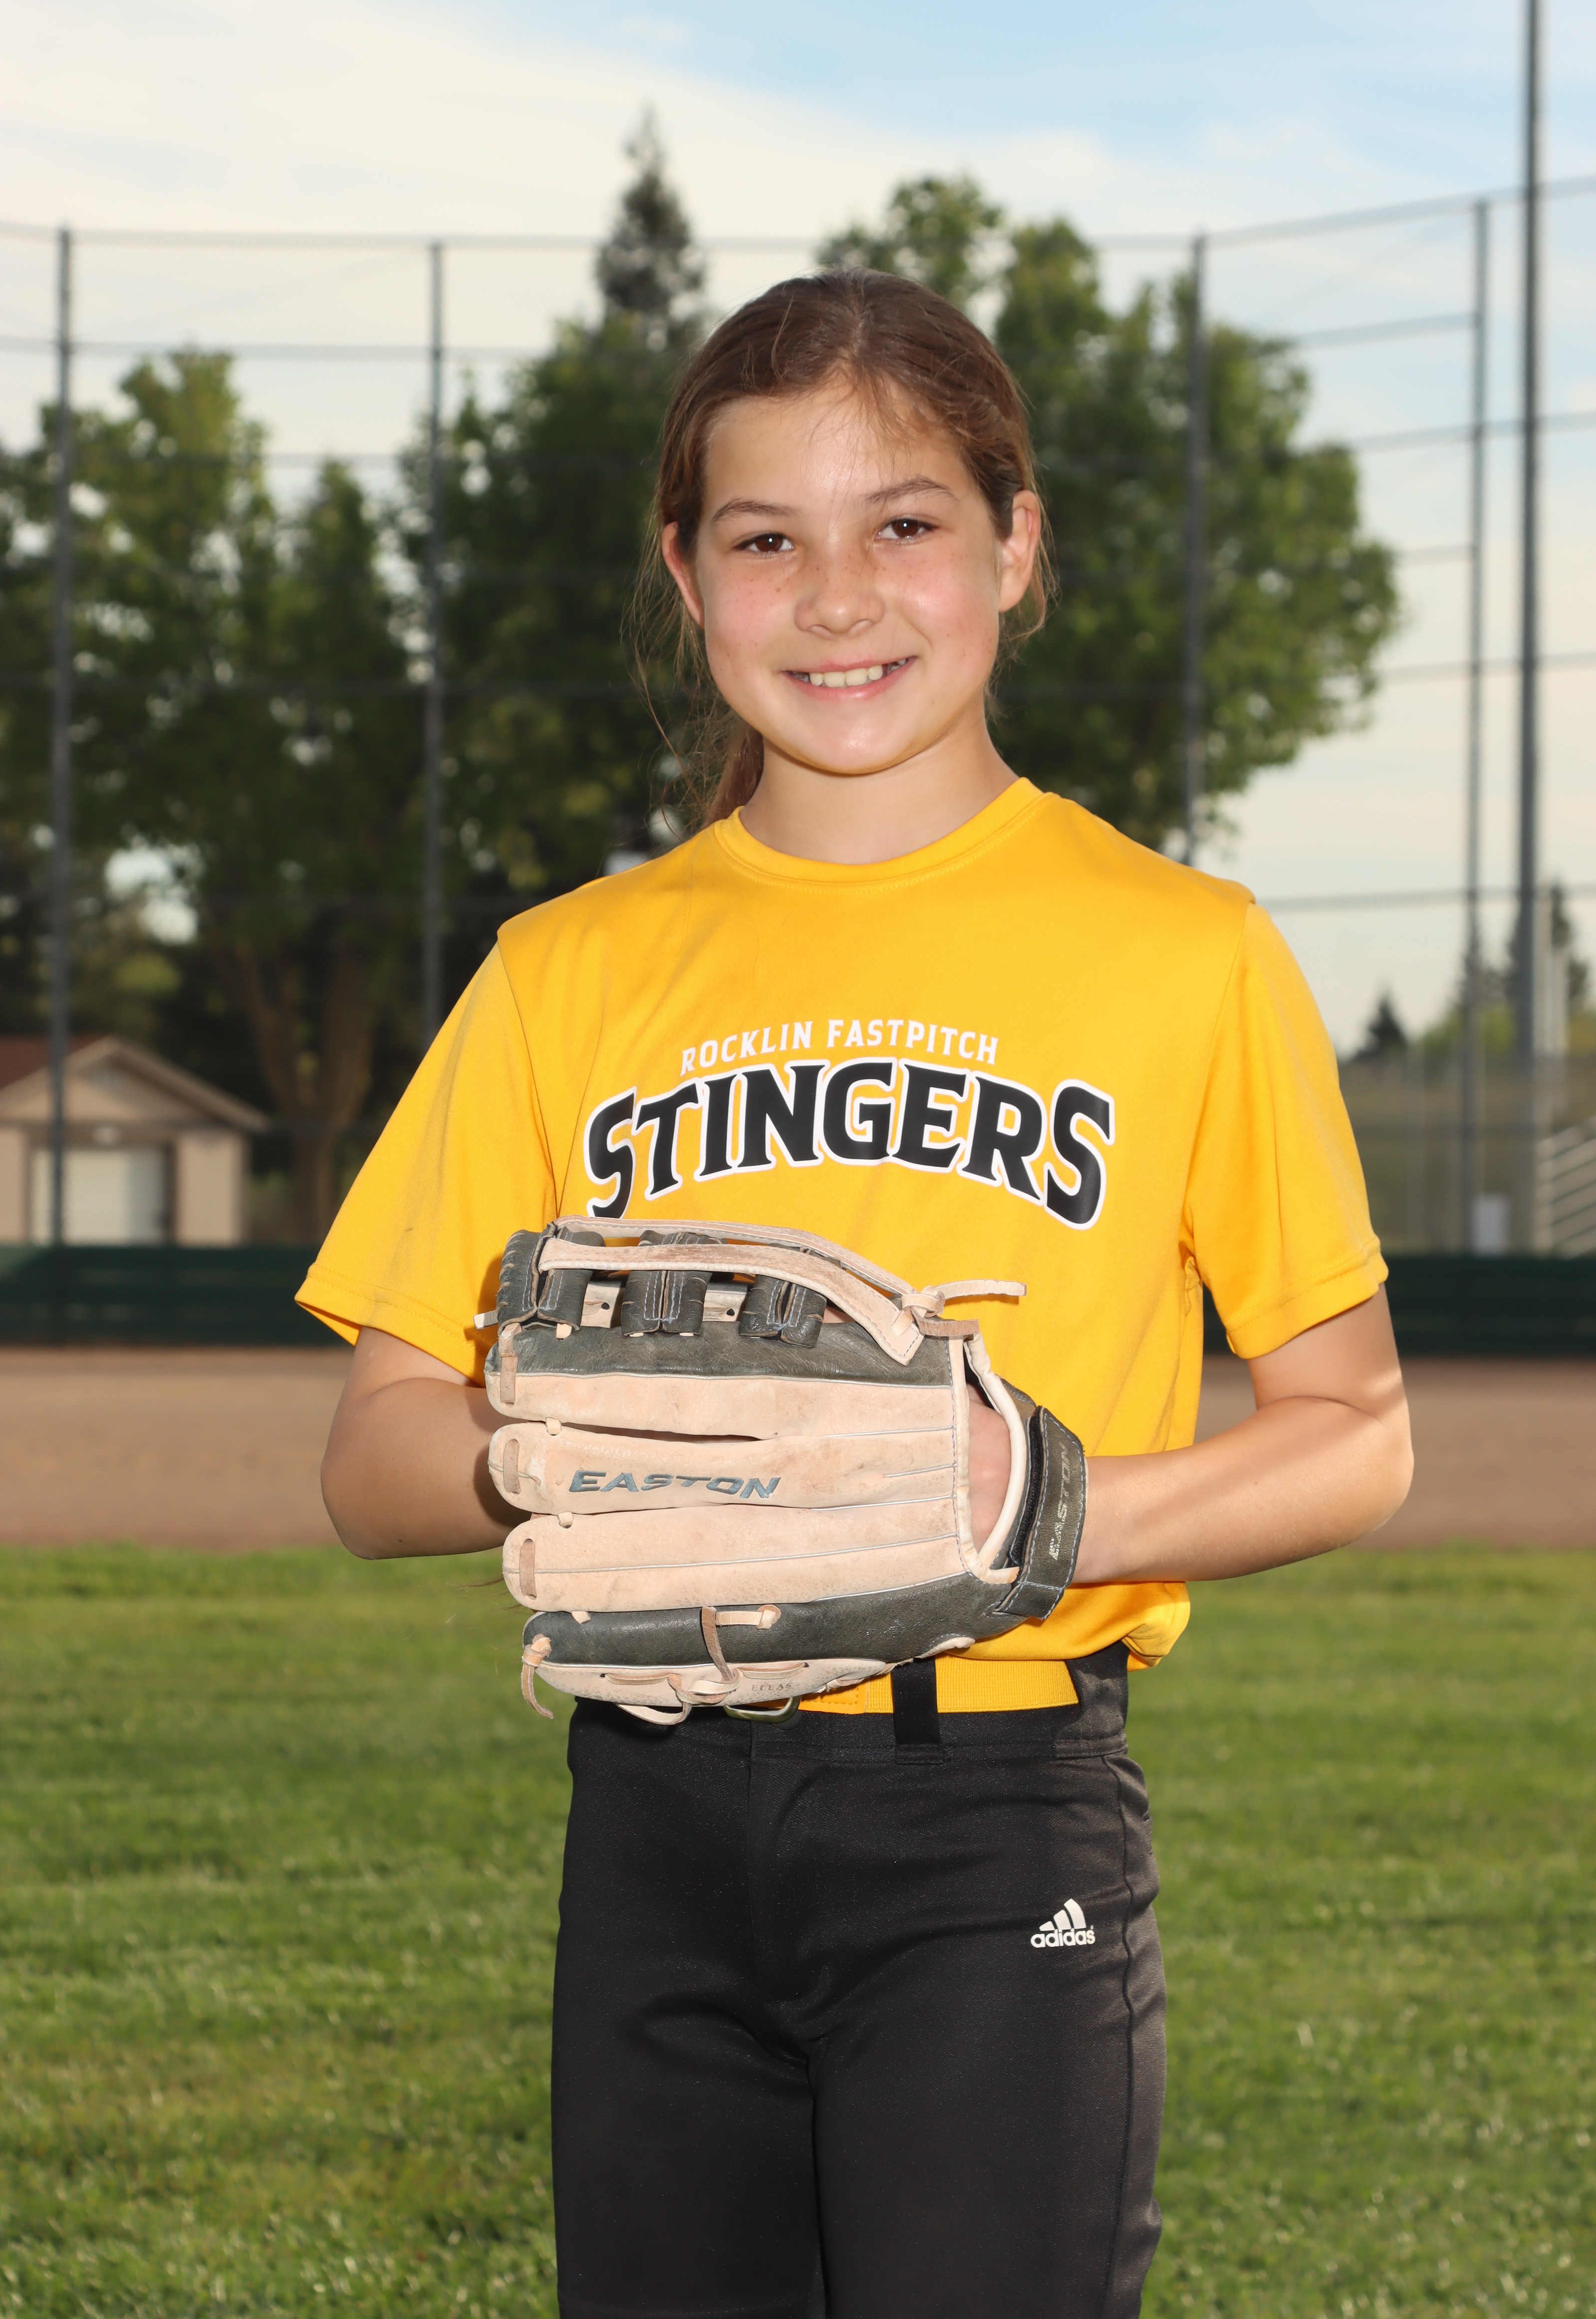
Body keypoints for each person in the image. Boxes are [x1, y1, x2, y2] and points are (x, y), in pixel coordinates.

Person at [304, 268, 1412, 2319]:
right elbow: (373, 1454)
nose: (835, 598)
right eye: (764, 540)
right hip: (655, 1807)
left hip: (994, 1812)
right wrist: (562, 1459)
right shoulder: (567, 970)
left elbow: (1354, 1435)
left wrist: (1043, 1506)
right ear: (685, 576)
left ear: (1014, 544)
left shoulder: (1184, 950)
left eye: (902, 522)